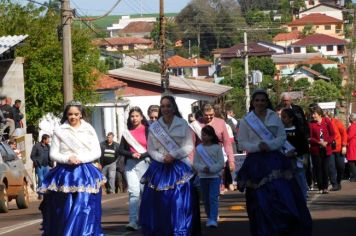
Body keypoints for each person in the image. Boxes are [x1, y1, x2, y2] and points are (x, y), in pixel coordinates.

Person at [237, 89, 312, 236]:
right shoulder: (247, 120)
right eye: (257, 100)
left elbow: (281, 136)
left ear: (267, 102)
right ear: (252, 102)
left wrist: (269, 145)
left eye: (263, 100)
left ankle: (283, 225)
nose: (260, 103)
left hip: (275, 158)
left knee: (282, 193)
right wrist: (257, 146)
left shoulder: (274, 117)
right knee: (259, 198)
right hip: (256, 161)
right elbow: (242, 141)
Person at [38, 100, 105, 236]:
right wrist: (67, 159)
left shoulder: (89, 129)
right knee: (64, 208)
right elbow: (53, 154)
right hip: (64, 174)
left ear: (81, 114)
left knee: (85, 206)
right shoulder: (60, 130)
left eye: (76, 114)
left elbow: (97, 152)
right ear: (66, 115)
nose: (73, 117)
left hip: (85, 172)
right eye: (70, 114)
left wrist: (81, 159)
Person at [140, 95, 194, 236]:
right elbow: (151, 149)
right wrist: (162, 158)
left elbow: (189, 145)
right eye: (162, 106)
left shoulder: (182, 123)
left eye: (168, 106)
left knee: (178, 203)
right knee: (157, 203)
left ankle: (179, 231)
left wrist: (174, 155)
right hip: (159, 167)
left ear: (174, 107)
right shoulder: (155, 127)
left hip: (179, 166)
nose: (165, 109)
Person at [118, 106, 150, 231]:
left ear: (141, 117)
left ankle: (145, 219)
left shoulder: (148, 130)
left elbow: (153, 148)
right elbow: (120, 149)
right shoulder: (127, 133)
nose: (134, 118)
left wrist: (142, 154)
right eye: (132, 116)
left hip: (145, 163)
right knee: (133, 192)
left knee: (145, 193)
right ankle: (132, 221)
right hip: (130, 164)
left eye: (137, 116)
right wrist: (131, 154)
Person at [193, 125, 224, 228]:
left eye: (205, 134)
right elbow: (196, 163)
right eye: (202, 134)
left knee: (213, 197)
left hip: (215, 177)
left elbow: (221, 163)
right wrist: (203, 168)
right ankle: (209, 216)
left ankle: (213, 219)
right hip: (203, 177)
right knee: (205, 199)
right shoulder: (199, 148)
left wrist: (211, 169)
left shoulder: (217, 147)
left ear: (211, 136)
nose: (203, 136)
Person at [281, 108, 309, 201]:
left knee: (300, 182)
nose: (282, 119)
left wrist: (295, 152)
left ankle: (302, 201)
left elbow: (304, 147)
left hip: (297, 160)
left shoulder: (299, 131)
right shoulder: (279, 132)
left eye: (284, 117)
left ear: (291, 118)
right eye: (281, 117)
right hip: (284, 161)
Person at [309, 106, 335, 194]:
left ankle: (325, 187)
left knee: (325, 168)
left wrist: (327, 142)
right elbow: (310, 137)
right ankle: (320, 187)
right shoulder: (311, 124)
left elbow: (332, 135)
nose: (313, 116)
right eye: (312, 114)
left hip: (326, 149)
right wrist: (319, 142)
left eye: (314, 114)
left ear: (319, 114)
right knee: (318, 169)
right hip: (316, 150)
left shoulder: (327, 121)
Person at [326, 112, 347, 191]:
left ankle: (338, 181)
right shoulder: (324, 124)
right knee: (331, 167)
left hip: (339, 148)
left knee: (341, 166)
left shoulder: (337, 122)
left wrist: (344, 145)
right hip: (330, 149)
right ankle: (334, 184)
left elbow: (344, 133)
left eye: (326, 117)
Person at [30, 134, 51, 200]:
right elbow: (32, 156)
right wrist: (36, 163)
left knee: (46, 180)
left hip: (46, 165)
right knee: (41, 179)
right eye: (48, 139)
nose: (49, 141)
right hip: (39, 166)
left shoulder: (48, 146)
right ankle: (40, 194)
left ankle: (45, 193)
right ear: (44, 140)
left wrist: (51, 164)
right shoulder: (36, 146)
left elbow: (50, 155)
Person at [347, 113, 356, 182]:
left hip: (352, 145)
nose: (348, 119)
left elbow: (349, 136)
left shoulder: (353, 126)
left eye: (349, 117)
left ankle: (354, 176)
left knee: (351, 162)